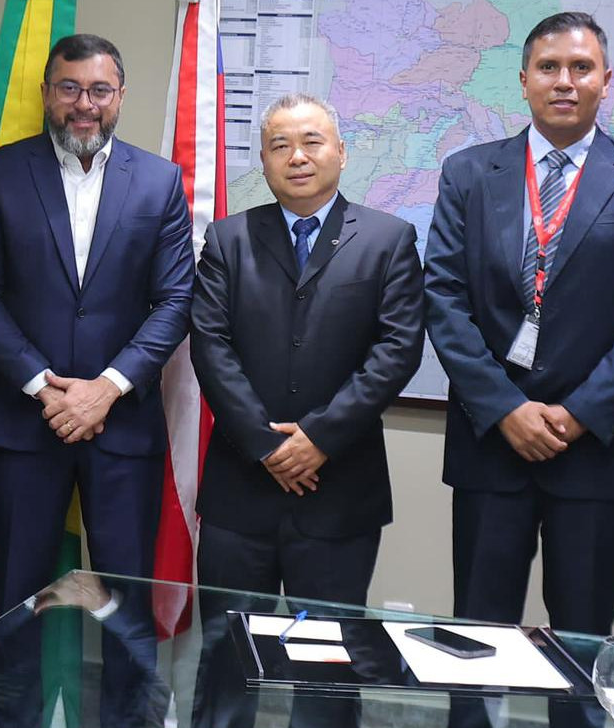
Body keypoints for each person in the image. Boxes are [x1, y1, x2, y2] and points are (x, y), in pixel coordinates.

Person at [425, 11, 614, 638]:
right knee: (477, 643)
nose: (564, 81)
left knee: (581, 648)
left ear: (607, 80)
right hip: (492, 446)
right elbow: (443, 298)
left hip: (594, 451)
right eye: (549, 68)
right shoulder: (468, 173)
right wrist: (506, 409)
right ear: (523, 81)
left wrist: (576, 414)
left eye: (581, 67)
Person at [0, 32, 194, 728]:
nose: (83, 105)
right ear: (46, 93)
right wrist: (43, 384)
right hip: (26, 423)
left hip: (122, 426)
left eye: (99, 90)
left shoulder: (158, 181)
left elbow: (176, 299)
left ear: (119, 96)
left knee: (125, 598)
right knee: (19, 598)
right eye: (69, 88)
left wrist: (107, 388)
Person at [189, 93, 424, 728]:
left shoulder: (388, 239)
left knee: (328, 668)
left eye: (312, 141)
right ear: (263, 162)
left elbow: (397, 350)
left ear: (341, 153)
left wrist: (318, 437)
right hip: (241, 490)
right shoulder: (228, 239)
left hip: (339, 491)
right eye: (279, 145)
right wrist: (268, 446)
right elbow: (210, 346)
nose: (297, 156)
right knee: (226, 658)